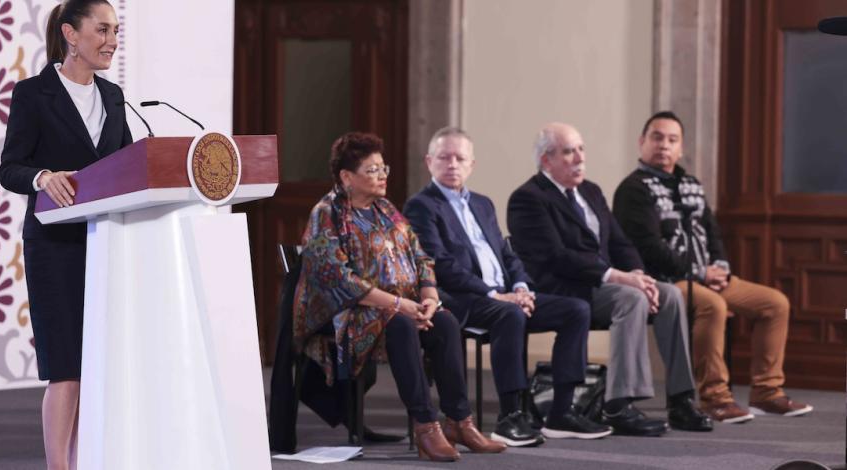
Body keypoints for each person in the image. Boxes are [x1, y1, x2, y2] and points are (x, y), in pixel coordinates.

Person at [293, 132, 506, 461]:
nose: (381, 176)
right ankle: (426, 427)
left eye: (383, 168)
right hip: (350, 315)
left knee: (445, 322)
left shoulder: (386, 209)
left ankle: (459, 422)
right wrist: (396, 304)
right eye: (372, 170)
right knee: (402, 325)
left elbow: (421, 256)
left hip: (401, 306)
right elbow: (338, 279)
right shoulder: (328, 214)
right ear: (347, 177)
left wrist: (429, 295)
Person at [403, 127, 612, 444]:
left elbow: (506, 252)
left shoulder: (483, 204)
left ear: (472, 164)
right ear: (429, 161)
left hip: (504, 294)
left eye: (460, 158)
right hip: (462, 298)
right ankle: (510, 417)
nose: (453, 164)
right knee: (509, 314)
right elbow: (439, 264)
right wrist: (496, 295)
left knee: (576, 309)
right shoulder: (421, 206)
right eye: (444, 157)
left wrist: (522, 288)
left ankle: (561, 412)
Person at [506, 122, 713, 436]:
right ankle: (618, 406)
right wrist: (618, 277)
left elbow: (620, 243)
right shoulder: (528, 198)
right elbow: (556, 257)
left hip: (601, 283)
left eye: (581, 149)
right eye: (568, 152)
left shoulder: (591, 191)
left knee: (669, 293)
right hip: (563, 287)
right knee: (630, 298)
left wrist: (639, 275)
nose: (579, 158)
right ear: (546, 160)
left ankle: (681, 400)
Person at [0, 1, 132, 468]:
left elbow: (129, 166)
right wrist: (41, 178)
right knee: (67, 369)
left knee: (98, 368)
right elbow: (9, 168)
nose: (112, 39)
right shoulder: (33, 94)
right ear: (71, 35)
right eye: (102, 29)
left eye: (115, 30)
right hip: (54, 247)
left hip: (107, 243)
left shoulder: (114, 97)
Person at [612, 111, 813, 423]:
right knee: (714, 307)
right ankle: (714, 399)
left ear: (681, 148)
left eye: (672, 140)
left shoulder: (691, 183)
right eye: (657, 137)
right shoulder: (633, 190)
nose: (664, 145)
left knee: (775, 303)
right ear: (641, 142)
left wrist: (720, 268)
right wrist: (698, 274)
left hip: (708, 275)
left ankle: (766, 392)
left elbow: (712, 231)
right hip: (666, 280)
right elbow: (649, 248)